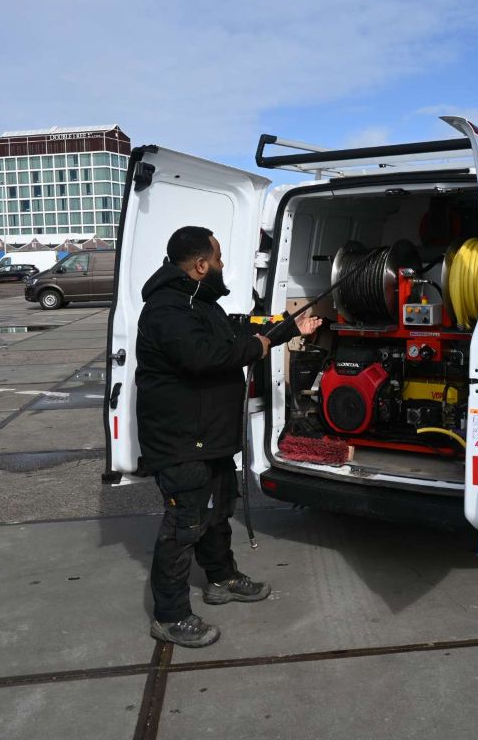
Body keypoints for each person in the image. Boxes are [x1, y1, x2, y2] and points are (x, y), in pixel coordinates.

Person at [136, 226, 321, 648]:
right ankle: (170, 616)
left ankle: (220, 577)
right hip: (181, 441)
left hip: (210, 438)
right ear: (201, 265)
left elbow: (237, 330)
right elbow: (207, 356)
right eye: (217, 259)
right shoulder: (168, 309)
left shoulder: (200, 303)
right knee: (185, 525)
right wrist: (259, 347)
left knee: (218, 511)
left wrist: (288, 328)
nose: (221, 266)